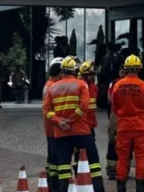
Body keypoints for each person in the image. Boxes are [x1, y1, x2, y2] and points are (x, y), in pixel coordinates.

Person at [43, 56, 106, 192]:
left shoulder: (52, 88)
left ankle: (63, 189)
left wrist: (60, 121)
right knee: (93, 161)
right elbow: (83, 106)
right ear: (74, 71)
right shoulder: (81, 84)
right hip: (81, 130)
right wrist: (70, 120)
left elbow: (47, 111)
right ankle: (98, 188)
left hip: (61, 132)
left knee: (64, 165)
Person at [110, 55, 144, 192]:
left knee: (122, 158)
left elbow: (114, 107)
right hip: (140, 126)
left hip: (123, 127)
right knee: (140, 158)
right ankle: (140, 188)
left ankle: (121, 188)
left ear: (126, 69)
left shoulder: (118, 85)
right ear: (139, 69)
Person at [43, 57, 64, 190]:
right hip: (54, 127)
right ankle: (55, 185)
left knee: (51, 157)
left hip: (49, 126)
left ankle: (51, 182)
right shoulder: (53, 87)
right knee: (55, 158)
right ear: (58, 72)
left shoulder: (48, 85)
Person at [105, 66, 125, 180]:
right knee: (113, 140)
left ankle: (122, 169)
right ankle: (112, 169)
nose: (123, 73)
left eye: (125, 71)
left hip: (122, 114)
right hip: (116, 114)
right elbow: (110, 98)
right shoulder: (114, 83)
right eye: (121, 71)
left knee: (125, 142)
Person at [80, 61, 99, 135]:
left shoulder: (94, 87)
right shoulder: (80, 86)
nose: (92, 76)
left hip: (91, 120)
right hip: (83, 121)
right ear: (84, 75)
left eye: (93, 74)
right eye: (90, 74)